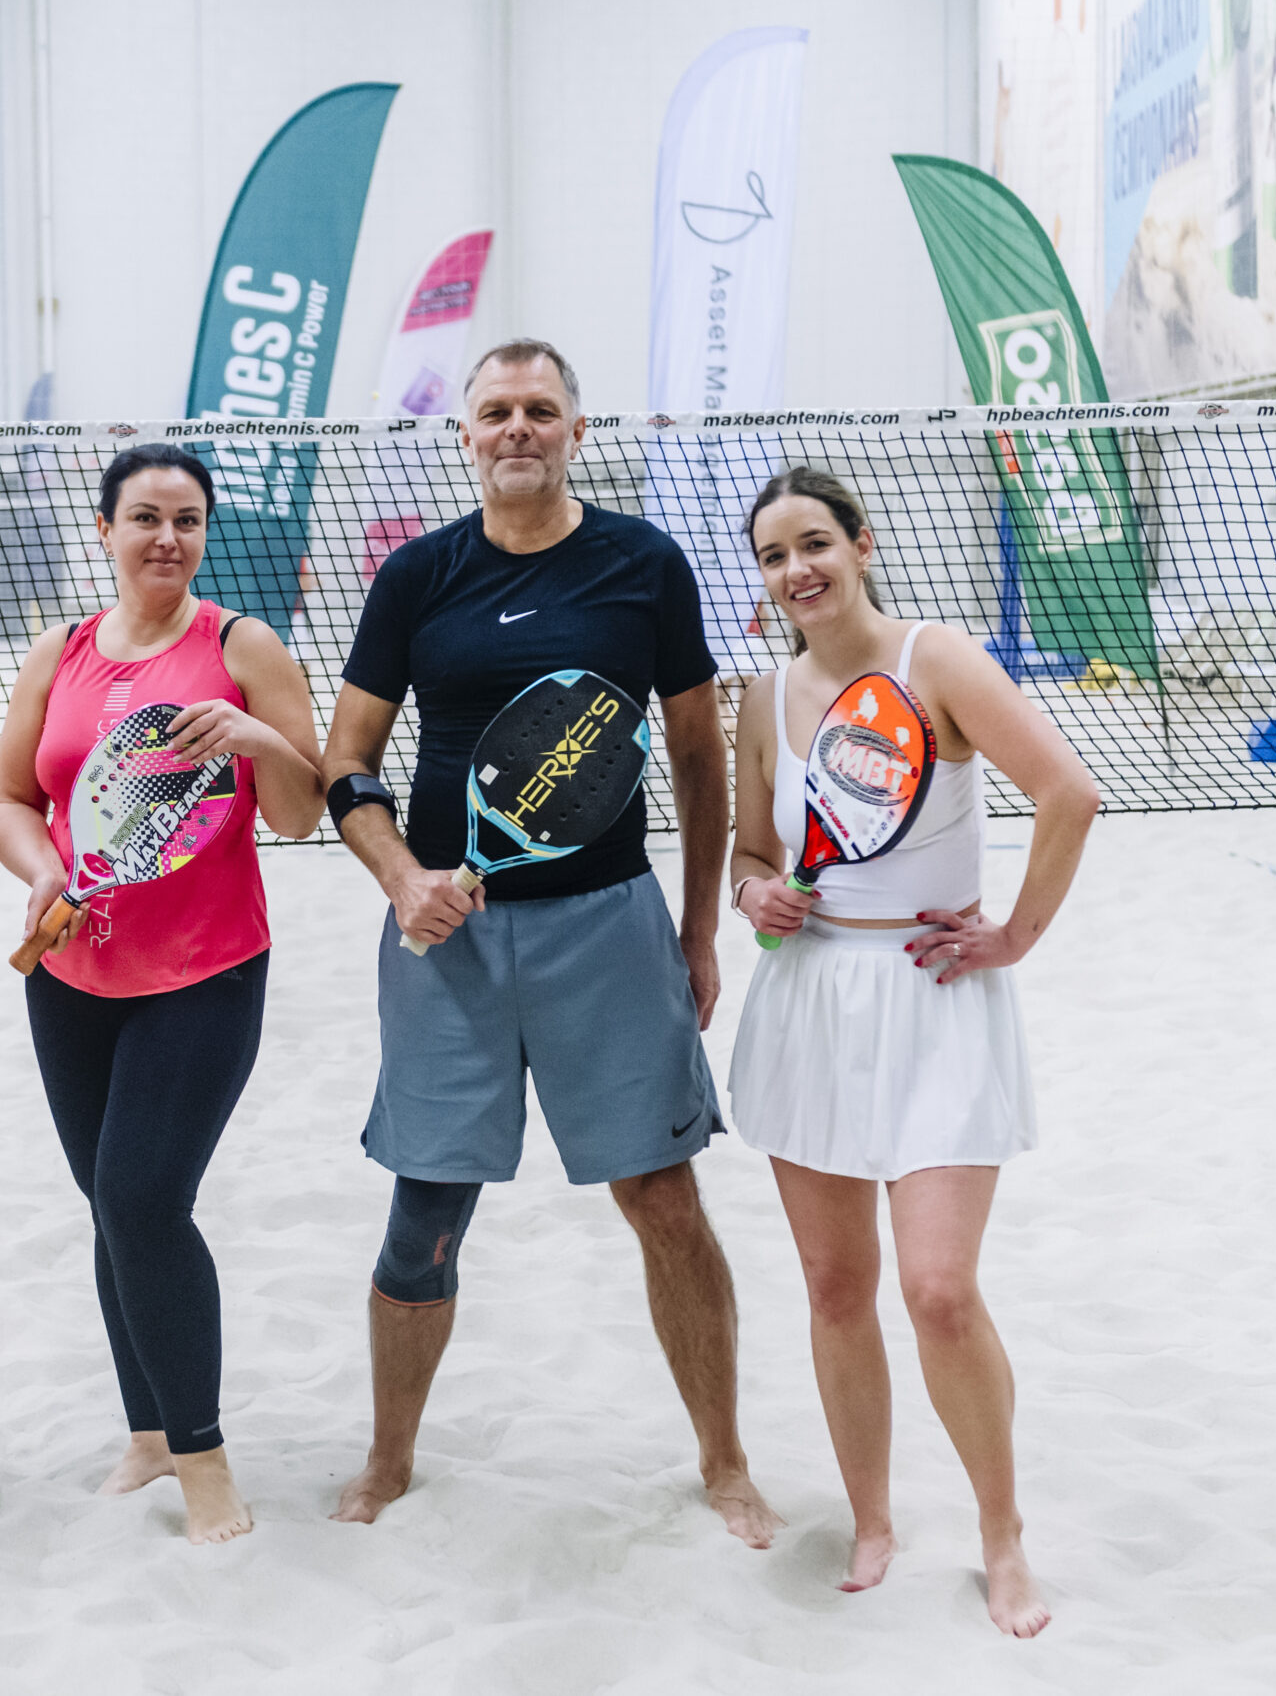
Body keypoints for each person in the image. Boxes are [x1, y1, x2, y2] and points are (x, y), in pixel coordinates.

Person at [320, 339, 778, 1545]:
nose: (515, 428)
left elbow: (695, 756)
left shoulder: (642, 563)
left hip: (608, 926)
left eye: (538, 409)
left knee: (662, 1199)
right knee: (425, 1211)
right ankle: (388, 1462)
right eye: (494, 412)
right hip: (447, 937)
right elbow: (345, 761)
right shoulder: (417, 575)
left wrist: (695, 929)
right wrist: (401, 877)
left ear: (577, 429)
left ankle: (725, 1462)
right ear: (465, 434)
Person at [724, 466, 1100, 1637]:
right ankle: (872, 1519)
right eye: (774, 555)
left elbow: (1070, 794)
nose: (797, 570)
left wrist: (1016, 936)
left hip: (934, 994)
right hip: (809, 1003)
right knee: (836, 1288)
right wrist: (753, 894)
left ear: (862, 544)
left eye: (814, 543)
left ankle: (1002, 1534)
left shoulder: (936, 660)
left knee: (938, 1291)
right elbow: (747, 853)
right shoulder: (762, 699)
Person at [0, 443, 325, 1545]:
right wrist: (42, 868)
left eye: (186, 520)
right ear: (106, 531)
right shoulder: (60, 650)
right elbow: (7, 799)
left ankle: (203, 1455)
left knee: (141, 1199)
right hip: (71, 968)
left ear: (205, 535)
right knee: (109, 1203)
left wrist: (258, 736)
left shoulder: (241, 645)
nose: (166, 538)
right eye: (144, 517)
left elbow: (299, 815)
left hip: (203, 971)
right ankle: (146, 1432)